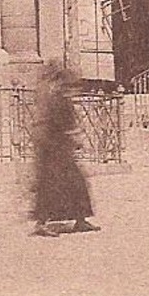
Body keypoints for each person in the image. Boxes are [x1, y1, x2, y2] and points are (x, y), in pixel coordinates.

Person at [29, 63, 100, 236]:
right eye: (71, 86)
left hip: (60, 148)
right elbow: (59, 123)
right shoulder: (55, 98)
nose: (73, 90)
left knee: (75, 184)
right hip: (53, 148)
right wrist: (75, 136)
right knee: (50, 185)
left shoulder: (58, 97)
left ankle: (80, 219)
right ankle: (42, 223)